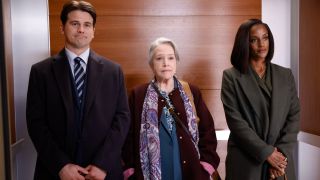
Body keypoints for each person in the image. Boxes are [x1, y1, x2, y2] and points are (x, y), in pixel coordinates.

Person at [26, 1, 131, 179]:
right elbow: (36, 123)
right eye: (75, 24)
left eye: (87, 25)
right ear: (62, 27)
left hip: (102, 173)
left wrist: (102, 164)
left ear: (93, 31)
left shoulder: (114, 71)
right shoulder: (40, 72)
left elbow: (122, 120)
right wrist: (61, 166)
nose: (81, 29)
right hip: (55, 172)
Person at [122, 37, 220, 180]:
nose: (166, 63)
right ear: (151, 64)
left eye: (171, 58)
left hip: (191, 172)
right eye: (159, 58)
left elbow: (208, 131)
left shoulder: (191, 91)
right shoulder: (138, 94)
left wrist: (206, 166)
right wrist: (130, 171)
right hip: (150, 173)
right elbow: (127, 136)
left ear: (176, 62)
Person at [221, 19, 300, 180]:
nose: (261, 44)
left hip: (280, 161)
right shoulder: (231, 77)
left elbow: (294, 116)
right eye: (254, 40)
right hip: (246, 159)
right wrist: (266, 152)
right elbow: (236, 122)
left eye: (265, 38)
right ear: (245, 43)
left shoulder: (285, 75)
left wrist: (279, 157)